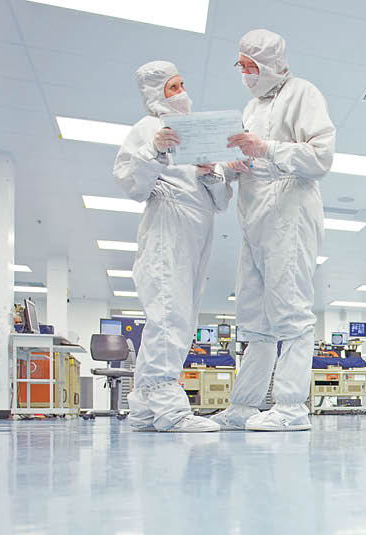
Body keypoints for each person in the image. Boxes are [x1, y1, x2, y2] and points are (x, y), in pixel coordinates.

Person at [209, 29, 336, 432]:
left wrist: (267, 149)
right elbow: (243, 156)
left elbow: (321, 157)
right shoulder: (249, 109)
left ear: (271, 65)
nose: (245, 74)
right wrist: (230, 165)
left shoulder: (303, 93)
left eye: (252, 67)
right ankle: (244, 405)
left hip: (289, 210)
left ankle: (291, 408)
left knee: (290, 310)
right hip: (253, 215)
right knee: (254, 317)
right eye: (241, 66)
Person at [113, 60, 233, 432]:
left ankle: (143, 408)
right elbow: (132, 184)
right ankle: (169, 409)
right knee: (168, 314)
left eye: (182, 85)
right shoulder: (147, 128)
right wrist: (155, 150)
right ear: (156, 93)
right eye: (172, 88)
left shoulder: (197, 134)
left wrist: (210, 173)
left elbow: (221, 202)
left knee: (183, 319)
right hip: (167, 222)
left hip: (199, 228)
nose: (181, 93)